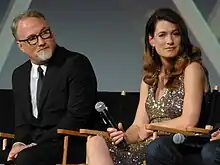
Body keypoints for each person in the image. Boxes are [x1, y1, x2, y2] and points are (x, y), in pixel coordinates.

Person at [86, 8, 210, 165]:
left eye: (175, 34)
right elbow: (138, 126)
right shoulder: (150, 78)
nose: (170, 41)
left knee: (151, 148)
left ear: (182, 38)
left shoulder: (192, 69)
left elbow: (189, 121)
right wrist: (124, 136)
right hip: (145, 143)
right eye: (162, 35)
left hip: (171, 145)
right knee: (95, 141)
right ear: (151, 40)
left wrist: (152, 127)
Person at [2, 9, 97, 165]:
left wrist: (36, 144)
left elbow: (76, 117)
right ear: (21, 46)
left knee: (26, 159)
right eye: (32, 38)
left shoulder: (75, 64)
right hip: (34, 145)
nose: (41, 42)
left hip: (68, 142)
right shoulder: (19, 75)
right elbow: (22, 123)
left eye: (45, 33)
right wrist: (18, 144)